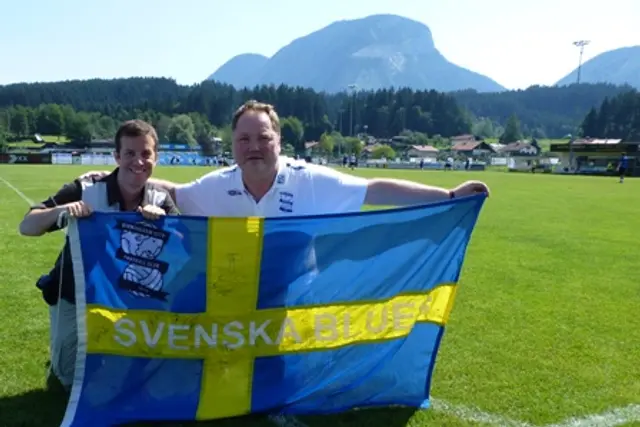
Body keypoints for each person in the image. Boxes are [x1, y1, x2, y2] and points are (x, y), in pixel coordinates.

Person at [80, 100, 489, 217]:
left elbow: (375, 189)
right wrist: (117, 176)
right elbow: (176, 192)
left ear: (279, 140)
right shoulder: (218, 185)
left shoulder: (308, 178)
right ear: (234, 144)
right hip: (237, 298)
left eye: (262, 137)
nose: (253, 146)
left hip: (294, 297)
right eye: (243, 139)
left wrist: (449, 195)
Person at [19, 119, 180, 392]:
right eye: (130, 153)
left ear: (156, 158)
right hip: (75, 292)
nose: (138, 161)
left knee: (140, 371)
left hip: (127, 295)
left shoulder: (160, 198)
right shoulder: (87, 189)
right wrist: (64, 211)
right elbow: (27, 226)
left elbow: (184, 248)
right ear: (117, 156)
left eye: (146, 154)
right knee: (69, 377)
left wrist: (166, 225)